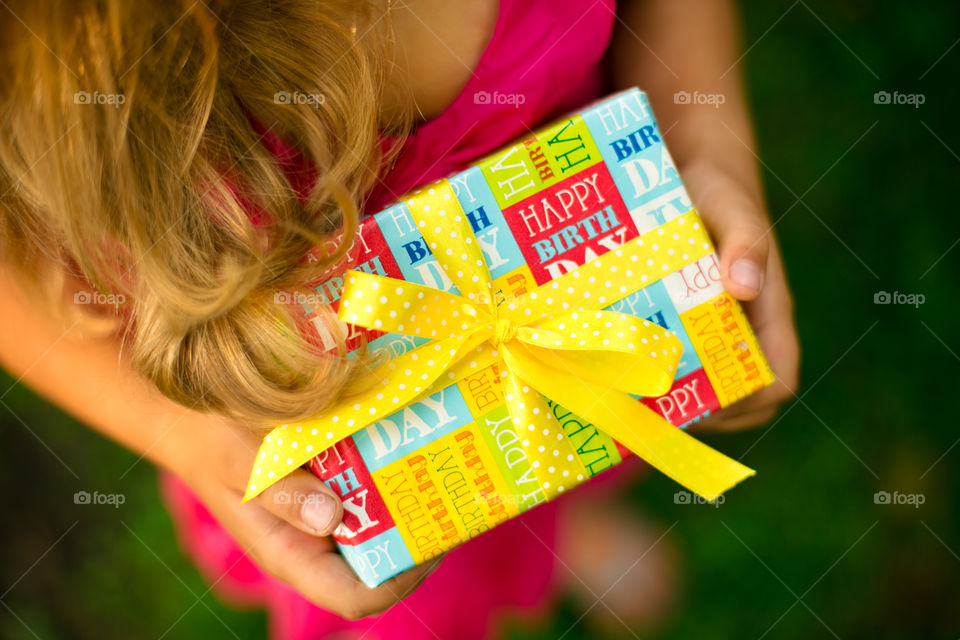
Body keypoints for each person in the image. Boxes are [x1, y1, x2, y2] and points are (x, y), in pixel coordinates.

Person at [0, 0, 799, 637]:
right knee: (416, 598)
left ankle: (557, 539)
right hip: (338, 462)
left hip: (586, 345)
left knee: (559, 456)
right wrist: (190, 435)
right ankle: (540, 554)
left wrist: (705, 148)